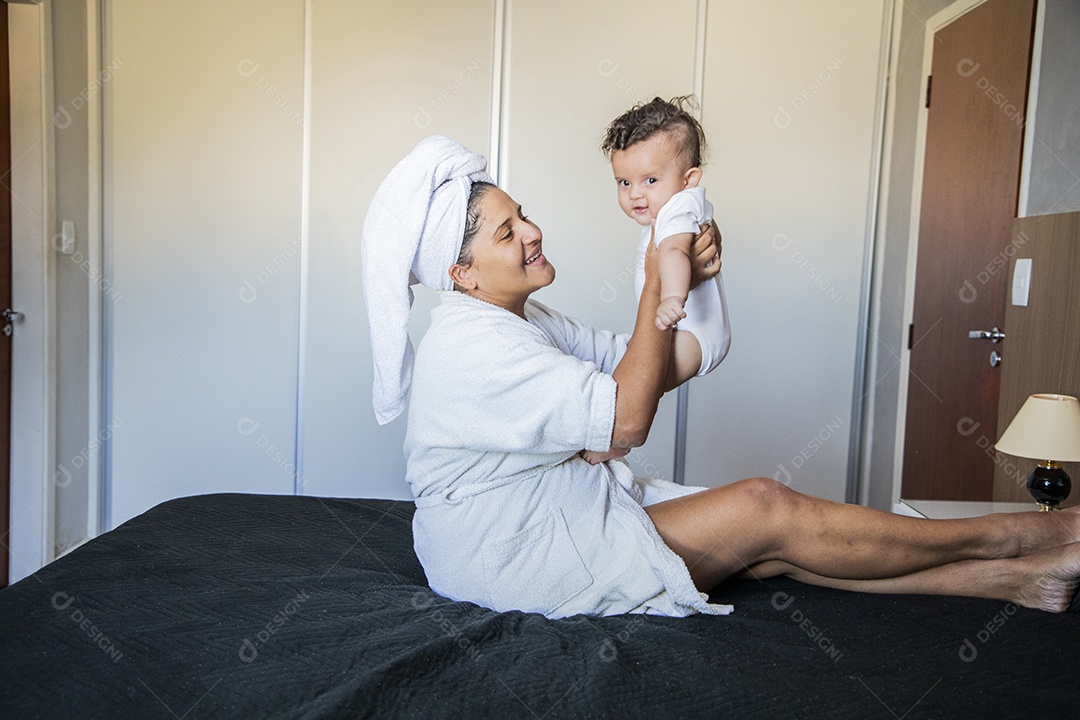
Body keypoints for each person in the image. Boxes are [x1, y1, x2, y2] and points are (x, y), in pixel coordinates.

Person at [362, 136, 1080, 621]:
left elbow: (668, 360)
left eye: (523, 216)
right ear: (459, 275)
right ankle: (1014, 538)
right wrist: (654, 281)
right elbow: (626, 419)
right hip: (511, 554)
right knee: (765, 508)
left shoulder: (527, 318)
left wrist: (695, 275)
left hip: (551, 514)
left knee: (764, 551)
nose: (532, 233)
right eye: (505, 232)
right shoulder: (471, 346)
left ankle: (1013, 579)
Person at [602, 96, 730, 375]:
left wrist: (671, 298)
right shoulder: (680, 204)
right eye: (624, 182)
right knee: (633, 375)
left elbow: (674, 251)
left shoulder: (676, 208)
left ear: (688, 179)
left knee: (637, 383)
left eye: (650, 180)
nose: (635, 193)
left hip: (693, 334)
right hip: (686, 328)